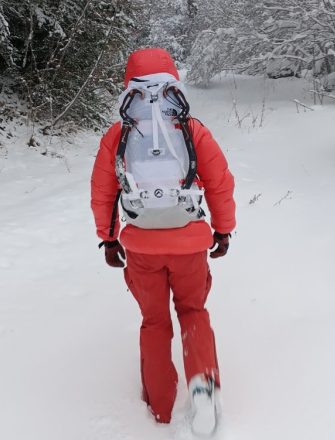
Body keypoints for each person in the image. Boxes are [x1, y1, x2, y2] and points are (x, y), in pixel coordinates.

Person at [90, 48, 236, 434]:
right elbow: (220, 183)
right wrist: (223, 230)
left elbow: (103, 192)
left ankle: (160, 408)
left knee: (154, 322)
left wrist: (108, 239)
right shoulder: (191, 129)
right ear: (174, 81)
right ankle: (203, 385)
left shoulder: (117, 134)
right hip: (190, 242)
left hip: (141, 246)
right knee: (193, 311)